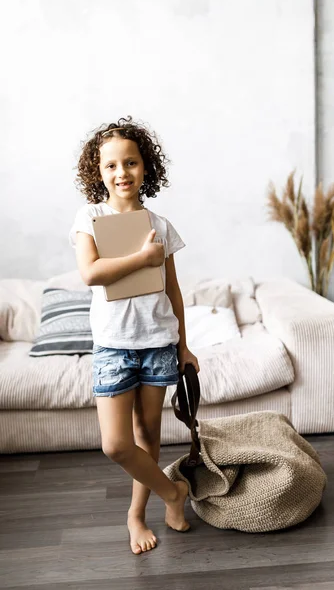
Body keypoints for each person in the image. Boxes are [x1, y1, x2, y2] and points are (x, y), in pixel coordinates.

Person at [69, 116, 200, 555]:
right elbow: (91, 273)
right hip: (113, 346)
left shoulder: (160, 224)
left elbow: (173, 289)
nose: (121, 173)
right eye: (111, 166)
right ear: (98, 173)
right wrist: (143, 257)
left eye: (131, 163)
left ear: (146, 167)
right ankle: (173, 493)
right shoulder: (90, 218)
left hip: (158, 343)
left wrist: (183, 346)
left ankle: (137, 516)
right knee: (117, 445)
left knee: (148, 438)